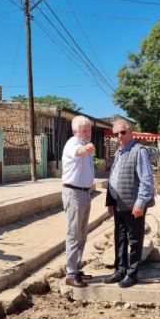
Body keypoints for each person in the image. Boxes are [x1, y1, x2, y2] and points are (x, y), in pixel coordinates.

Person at [105, 119, 155, 288]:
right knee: (119, 239)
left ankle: (132, 274)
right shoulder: (119, 151)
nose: (119, 136)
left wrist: (140, 203)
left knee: (134, 240)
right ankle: (120, 270)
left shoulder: (139, 151)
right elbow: (113, 177)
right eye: (116, 133)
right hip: (118, 203)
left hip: (133, 205)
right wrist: (109, 201)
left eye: (122, 132)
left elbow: (147, 180)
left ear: (131, 132)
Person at [61, 115, 96, 288]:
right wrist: (88, 147)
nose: (88, 132)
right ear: (76, 131)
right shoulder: (73, 143)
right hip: (74, 193)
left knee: (82, 233)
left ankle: (77, 268)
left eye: (89, 129)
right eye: (84, 130)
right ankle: (71, 273)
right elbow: (78, 152)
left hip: (84, 192)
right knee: (74, 234)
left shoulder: (83, 145)